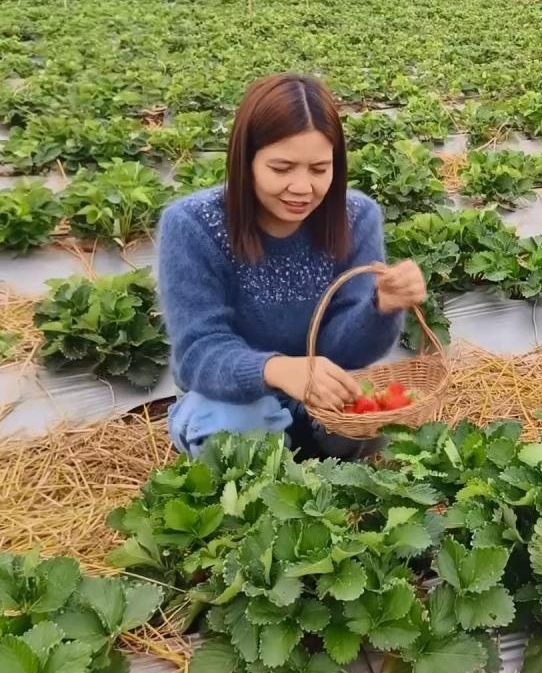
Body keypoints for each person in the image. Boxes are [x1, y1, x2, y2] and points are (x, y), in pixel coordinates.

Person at [156, 73, 427, 458]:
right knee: (234, 436)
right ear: (245, 160)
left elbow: (346, 352)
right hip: (232, 403)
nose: (302, 187)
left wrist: (380, 306)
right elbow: (198, 353)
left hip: (317, 399)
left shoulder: (355, 216)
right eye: (281, 168)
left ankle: (310, 452)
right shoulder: (194, 225)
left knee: (378, 426)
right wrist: (280, 370)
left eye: (319, 169)